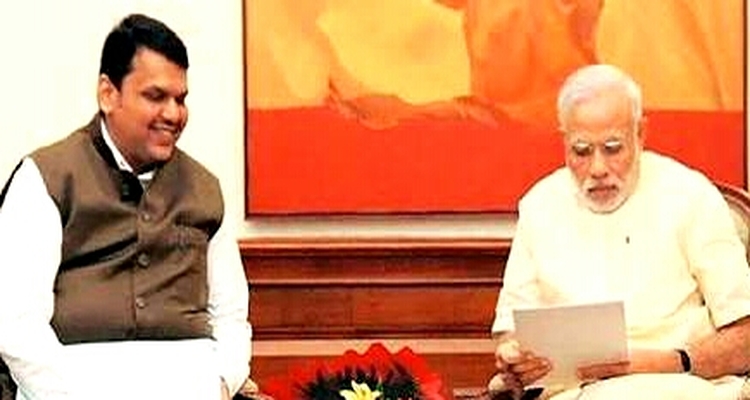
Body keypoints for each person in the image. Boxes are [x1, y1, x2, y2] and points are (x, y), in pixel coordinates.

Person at [0, 14, 252, 400]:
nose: (174, 114)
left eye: (181, 99)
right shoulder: (45, 179)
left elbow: (231, 318)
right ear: (108, 94)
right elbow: (16, 326)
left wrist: (219, 385)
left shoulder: (205, 189)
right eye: (156, 96)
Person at [489, 64, 750, 400]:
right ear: (564, 140)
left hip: (676, 385)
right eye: (581, 151)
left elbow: (745, 338)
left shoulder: (690, 195)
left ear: (640, 134)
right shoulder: (540, 205)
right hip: (575, 391)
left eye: (613, 148)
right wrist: (514, 357)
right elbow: (510, 333)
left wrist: (666, 362)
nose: (598, 168)